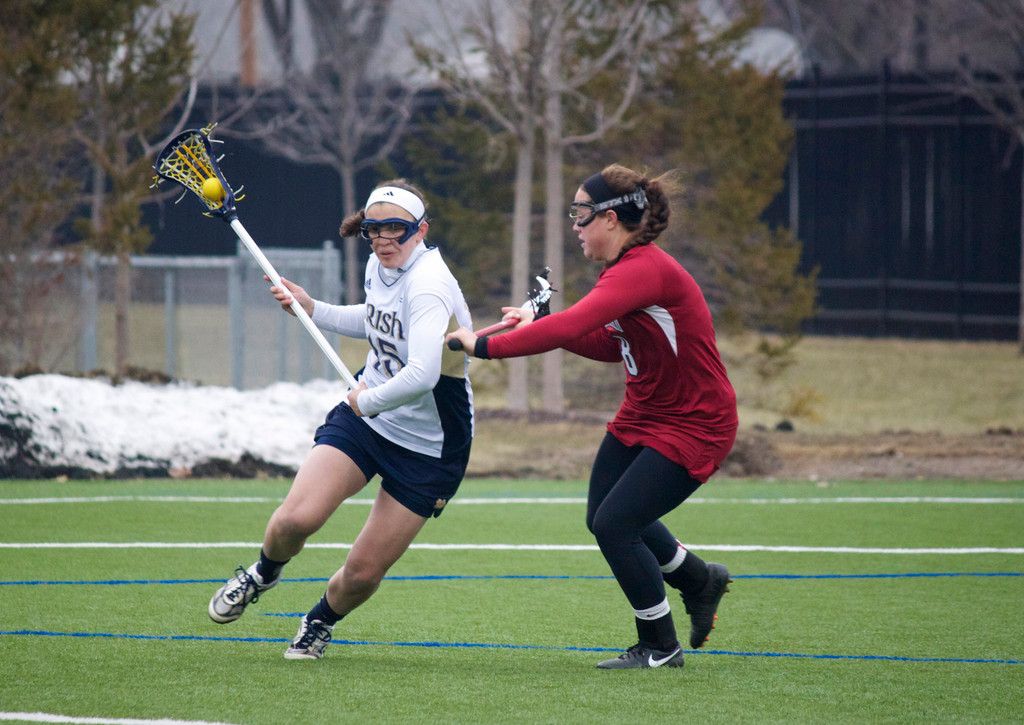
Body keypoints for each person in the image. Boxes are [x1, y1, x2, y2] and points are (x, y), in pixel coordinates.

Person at [446, 163, 737, 670]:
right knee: (604, 516)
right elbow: (607, 341)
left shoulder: (643, 268)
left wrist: (485, 346)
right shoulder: (625, 271)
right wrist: (538, 320)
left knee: (616, 525)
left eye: (581, 213)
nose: (575, 225)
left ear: (611, 218)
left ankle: (660, 647)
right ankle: (696, 579)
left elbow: (572, 326)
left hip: (696, 422)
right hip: (645, 413)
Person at [209, 180, 475, 660]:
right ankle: (263, 572)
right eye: (375, 230)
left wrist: (365, 401)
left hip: (429, 445)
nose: (384, 239)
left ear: (421, 230)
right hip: (367, 420)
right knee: (295, 519)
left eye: (397, 229)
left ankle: (318, 621)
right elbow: (375, 319)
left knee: (362, 573)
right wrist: (316, 309)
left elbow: (422, 373)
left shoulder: (431, 285)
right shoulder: (380, 264)